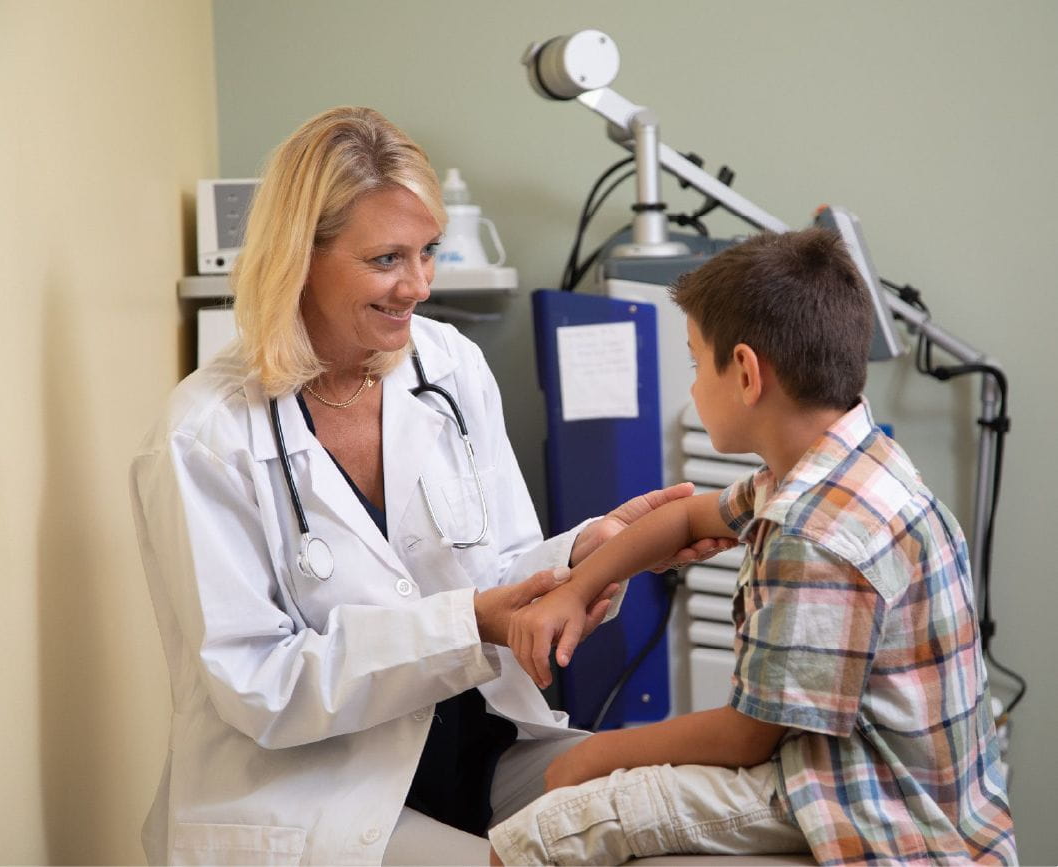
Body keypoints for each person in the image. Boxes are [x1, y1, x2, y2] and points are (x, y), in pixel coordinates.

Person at [129, 106, 727, 867]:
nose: (417, 285)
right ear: (296, 257)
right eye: (385, 259)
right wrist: (469, 622)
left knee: (677, 821)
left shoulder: (445, 364)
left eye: (429, 251)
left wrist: (586, 551)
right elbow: (261, 686)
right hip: (317, 790)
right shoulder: (202, 436)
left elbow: (500, 564)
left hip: (478, 750)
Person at [489, 228, 1017, 866]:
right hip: (926, 795)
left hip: (868, 804)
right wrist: (574, 589)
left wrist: (594, 754)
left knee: (545, 832)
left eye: (693, 363)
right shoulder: (852, 462)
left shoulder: (811, 531)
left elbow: (747, 737)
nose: (690, 388)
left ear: (744, 372)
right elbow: (685, 518)